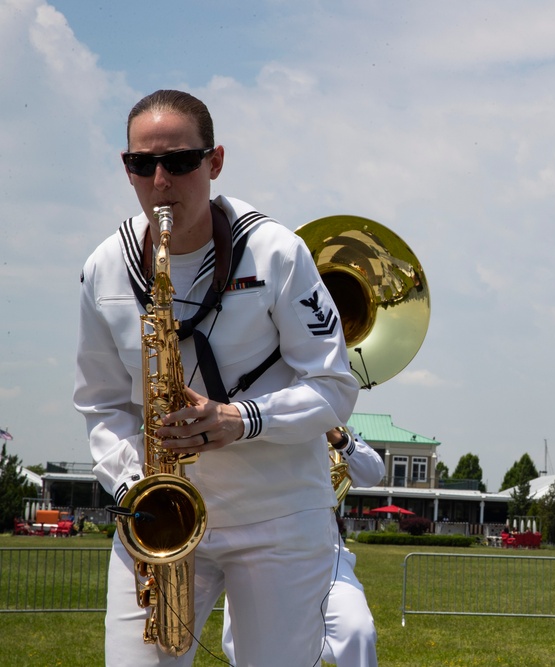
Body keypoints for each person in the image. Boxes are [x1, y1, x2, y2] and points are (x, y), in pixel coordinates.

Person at [74, 89, 359, 666]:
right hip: (160, 518)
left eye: (179, 162)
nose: (160, 181)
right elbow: (102, 404)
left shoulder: (276, 251)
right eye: (141, 164)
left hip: (279, 517)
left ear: (215, 162)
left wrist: (241, 420)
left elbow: (335, 388)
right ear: (125, 167)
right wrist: (138, 488)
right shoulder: (106, 267)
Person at [221, 426, 385, 666]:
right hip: (256, 553)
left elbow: (373, 473)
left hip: (324, 552)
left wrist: (336, 436)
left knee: (358, 632)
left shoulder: (326, 421)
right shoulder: (248, 417)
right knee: (256, 650)